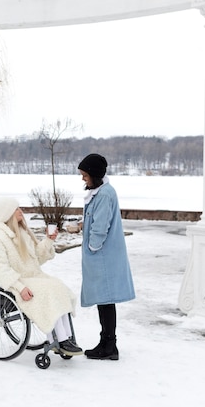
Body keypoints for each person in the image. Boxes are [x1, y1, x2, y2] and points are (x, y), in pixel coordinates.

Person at [0, 196, 83, 356]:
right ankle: (61, 339)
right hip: (16, 282)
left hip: (33, 276)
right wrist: (20, 287)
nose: (20, 211)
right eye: (16, 208)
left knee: (58, 287)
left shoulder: (22, 232)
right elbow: (0, 270)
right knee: (49, 290)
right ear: (7, 213)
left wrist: (49, 240)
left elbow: (36, 258)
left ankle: (67, 338)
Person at [78, 153, 135, 360]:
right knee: (105, 301)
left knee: (106, 300)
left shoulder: (103, 195)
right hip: (104, 256)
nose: (83, 178)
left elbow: (100, 228)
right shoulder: (101, 192)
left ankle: (109, 345)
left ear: (95, 175)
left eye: (85, 175)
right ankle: (107, 342)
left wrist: (93, 247)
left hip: (103, 256)